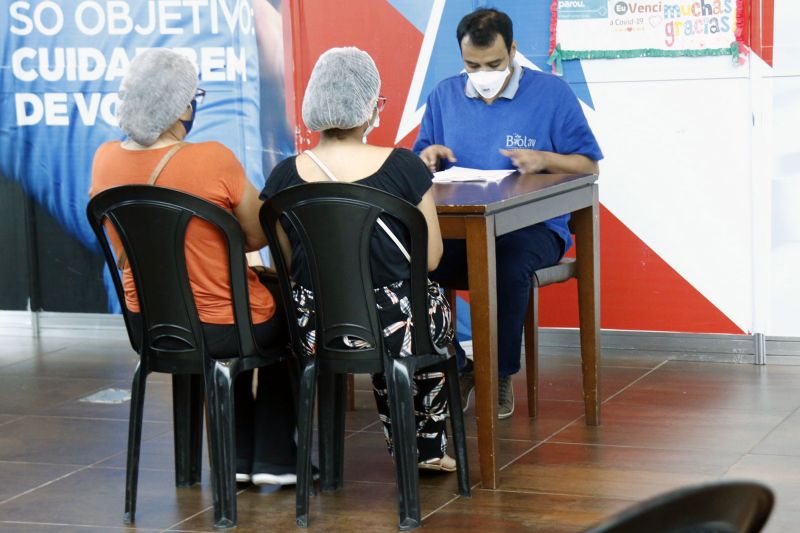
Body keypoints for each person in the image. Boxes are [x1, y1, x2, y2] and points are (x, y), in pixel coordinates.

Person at [89, 48, 299, 486]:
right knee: (289, 316)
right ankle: (274, 457)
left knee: (240, 308)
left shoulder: (104, 159)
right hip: (223, 327)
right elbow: (259, 234)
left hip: (149, 326)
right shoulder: (212, 159)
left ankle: (238, 457)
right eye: (193, 96)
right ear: (182, 106)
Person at [261, 47, 457, 472]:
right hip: (397, 327)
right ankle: (426, 447)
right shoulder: (403, 167)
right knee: (420, 305)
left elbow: (284, 266)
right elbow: (432, 258)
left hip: (316, 328)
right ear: (370, 107)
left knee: (390, 308)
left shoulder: (282, 176)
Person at [412, 8, 603, 419]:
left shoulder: (551, 94)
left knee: (507, 263)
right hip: (462, 231)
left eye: (494, 65)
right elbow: (417, 163)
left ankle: (496, 373)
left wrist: (544, 159)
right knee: (411, 262)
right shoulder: (444, 95)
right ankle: (456, 365)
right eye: (473, 66)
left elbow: (590, 166)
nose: (483, 74)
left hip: (533, 229)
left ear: (513, 51)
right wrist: (429, 156)